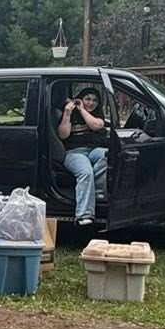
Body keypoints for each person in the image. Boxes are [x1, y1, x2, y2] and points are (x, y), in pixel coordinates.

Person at [57, 84, 108, 225]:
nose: (91, 103)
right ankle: (84, 215)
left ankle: (96, 190)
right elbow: (63, 135)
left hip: (93, 150)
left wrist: (82, 109)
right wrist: (67, 113)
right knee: (85, 172)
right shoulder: (69, 113)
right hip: (74, 153)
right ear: (81, 98)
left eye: (94, 100)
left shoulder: (97, 114)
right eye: (87, 99)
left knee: (109, 154)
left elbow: (96, 125)